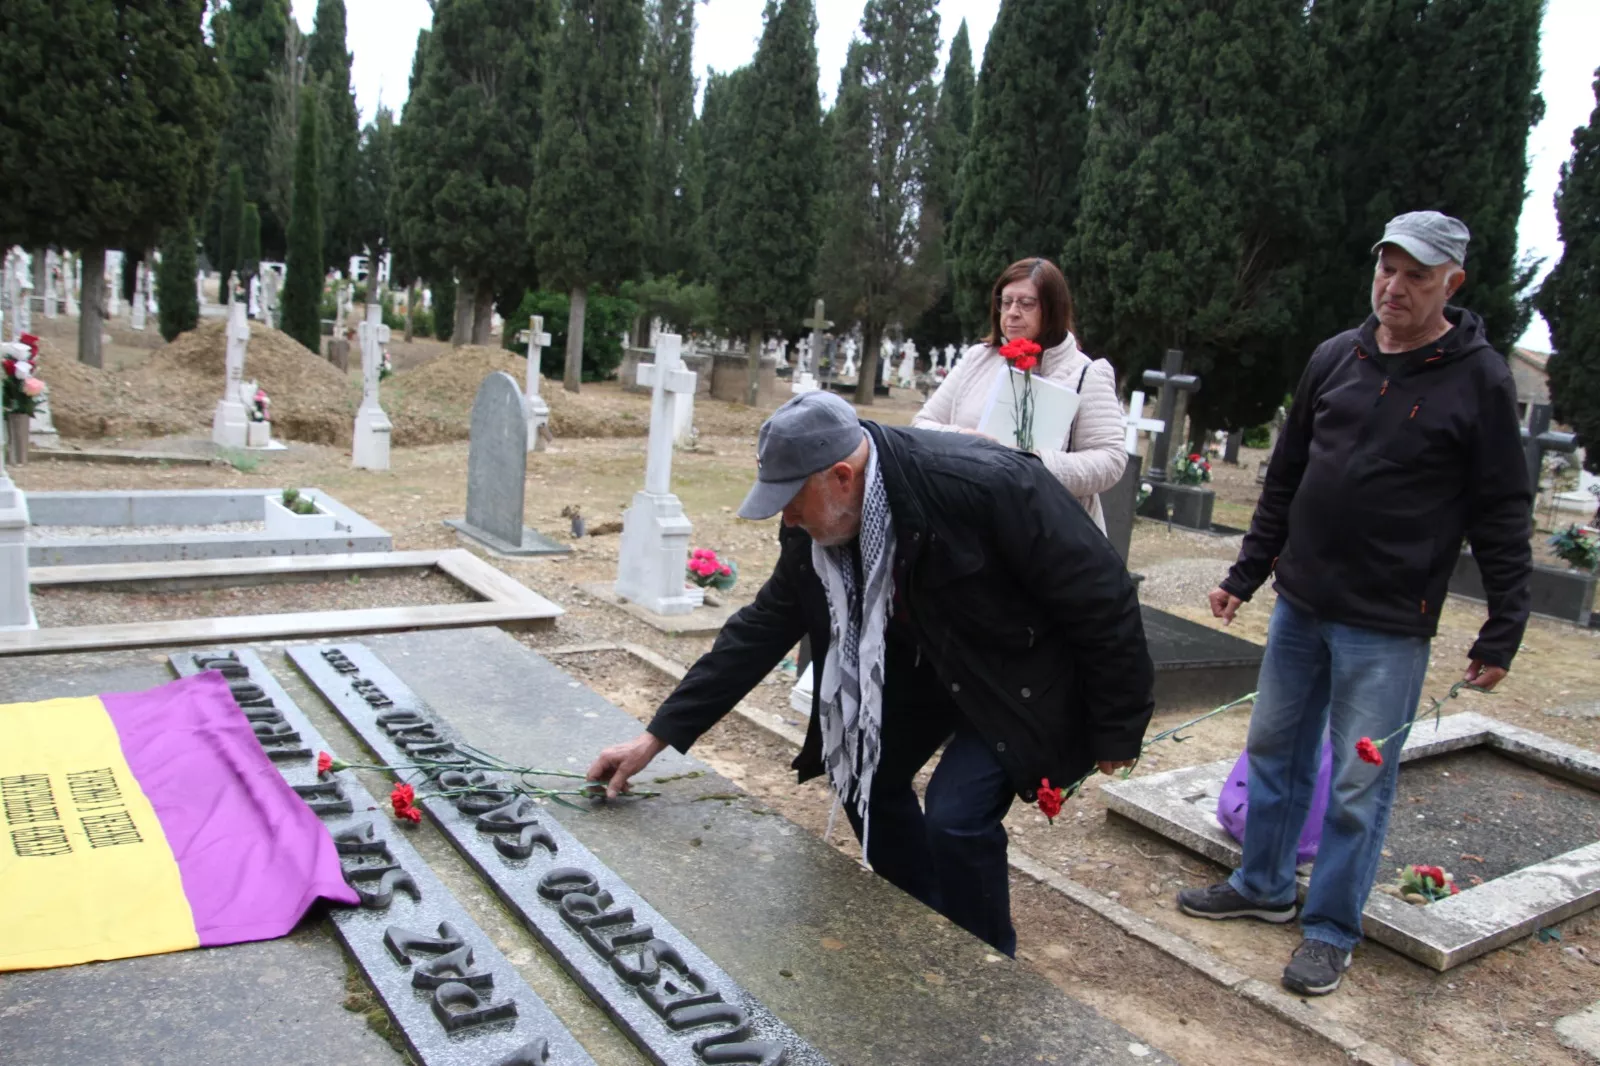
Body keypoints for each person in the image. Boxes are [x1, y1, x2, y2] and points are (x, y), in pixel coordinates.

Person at [588, 390, 1155, 956]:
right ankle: (924, 916)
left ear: (840, 476)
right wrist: (655, 738)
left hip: (1018, 672)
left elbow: (1102, 594)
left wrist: (1117, 726)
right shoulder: (817, 525)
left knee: (956, 816)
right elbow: (761, 628)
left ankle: (985, 964)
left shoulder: (985, 483)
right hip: (928, 660)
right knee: (861, 771)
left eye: (792, 500)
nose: (787, 516)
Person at [1177, 211, 1533, 996]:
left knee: (1357, 785)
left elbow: (1503, 511)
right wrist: (1245, 574)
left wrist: (1503, 627)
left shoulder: (1479, 378)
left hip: (1387, 623)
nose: (1395, 287)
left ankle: (1331, 927)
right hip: (1302, 602)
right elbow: (1287, 476)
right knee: (1275, 751)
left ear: (1452, 282)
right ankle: (1263, 883)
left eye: (1416, 274)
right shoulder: (1337, 356)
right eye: (1387, 268)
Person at [912, 257, 1125, 532]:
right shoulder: (977, 359)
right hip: (970, 524)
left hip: (1047, 533)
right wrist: (964, 441)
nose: (1012, 312)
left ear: (1052, 310)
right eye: (1006, 301)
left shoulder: (1086, 374)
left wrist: (1035, 463)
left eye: (1026, 304)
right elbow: (921, 425)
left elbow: (1110, 459)